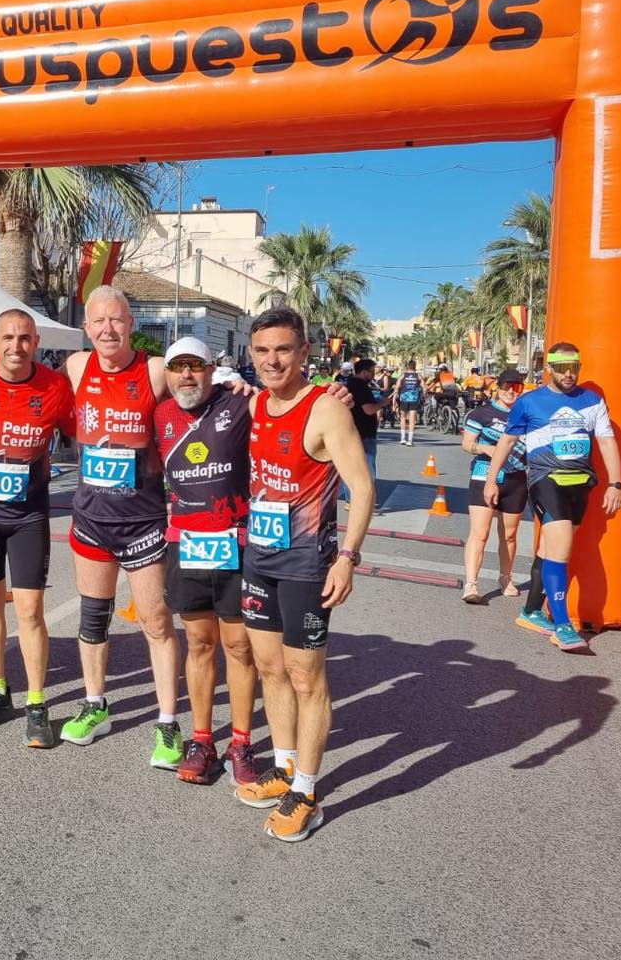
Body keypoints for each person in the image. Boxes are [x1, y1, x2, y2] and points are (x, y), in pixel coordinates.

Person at [234, 306, 374, 842]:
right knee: (269, 667)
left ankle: (308, 793)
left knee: (305, 676)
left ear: (304, 354)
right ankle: (285, 766)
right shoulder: (255, 405)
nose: (272, 361)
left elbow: (361, 488)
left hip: (306, 562)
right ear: (252, 354)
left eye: (283, 350)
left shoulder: (325, 409)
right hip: (260, 557)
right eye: (263, 351)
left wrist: (348, 558)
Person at [60, 285, 185, 766]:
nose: (108, 329)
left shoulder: (153, 371)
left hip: (143, 520)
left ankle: (168, 723)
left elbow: (201, 394)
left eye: (117, 320)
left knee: (156, 622)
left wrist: (239, 388)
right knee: (93, 616)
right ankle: (95, 705)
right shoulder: (77, 367)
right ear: (87, 328)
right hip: (92, 519)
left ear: (131, 325)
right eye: (98, 322)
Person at [0, 310, 74, 748]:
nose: (16, 346)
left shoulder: (55, 387)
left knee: (29, 611)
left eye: (25, 338)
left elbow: (88, 428)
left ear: (36, 341)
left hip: (28, 517)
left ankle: (38, 704)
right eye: (7, 337)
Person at [154, 337, 262, 786]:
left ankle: (241, 742)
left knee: (238, 647)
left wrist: (334, 391)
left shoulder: (238, 404)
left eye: (194, 366)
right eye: (177, 366)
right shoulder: (160, 415)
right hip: (186, 544)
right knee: (198, 644)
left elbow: (289, 405)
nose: (185, 376)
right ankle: (201, 740)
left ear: (210, 368)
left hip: (235, 543)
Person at [483, 343, 621, 652]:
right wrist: (492, 480)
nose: (569, 374)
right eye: (562, 368)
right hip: (545, 480)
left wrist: (616, 483)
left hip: (580, 484)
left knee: (549, 550)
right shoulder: (530, 402)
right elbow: (506, 442)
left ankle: (531, 611)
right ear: (549, 368)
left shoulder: (592, 400)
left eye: (575, 368)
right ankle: (562, 626)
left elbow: (607, 441)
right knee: (561, 550)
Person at [461, 369, 527, 604]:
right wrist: (485, 449)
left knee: (509, 535)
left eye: (517, 387)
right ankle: (471, 583)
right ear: (497, 387)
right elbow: (467, 444)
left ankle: (505, 577)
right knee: (480, 533)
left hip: (516, 478)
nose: (511, 391)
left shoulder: (526, 415)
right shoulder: (481, 414)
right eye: (507, 386)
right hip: (483, 474)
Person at [340, 358, 384, 505]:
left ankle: (350, 500)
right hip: (364, 433)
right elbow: (369, 409)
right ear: (365, 372)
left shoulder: (349, 384)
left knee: (350, 467)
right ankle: (365, 501)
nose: (373, 375)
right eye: (371, 372)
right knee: (367, 469)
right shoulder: (362, 387)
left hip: (349, 430)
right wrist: (383, 403)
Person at [395, 360, 423, 446]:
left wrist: (396, 394)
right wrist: (424, 394)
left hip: (403, 399)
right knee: (412, 419)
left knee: (402, 417)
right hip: (414, 399)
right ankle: (410, 440)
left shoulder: (403, 375)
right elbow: (424, 387)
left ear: (408, 366)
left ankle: (403, 438)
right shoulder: (418, 376)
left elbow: (397, 387)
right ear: (415, 366)